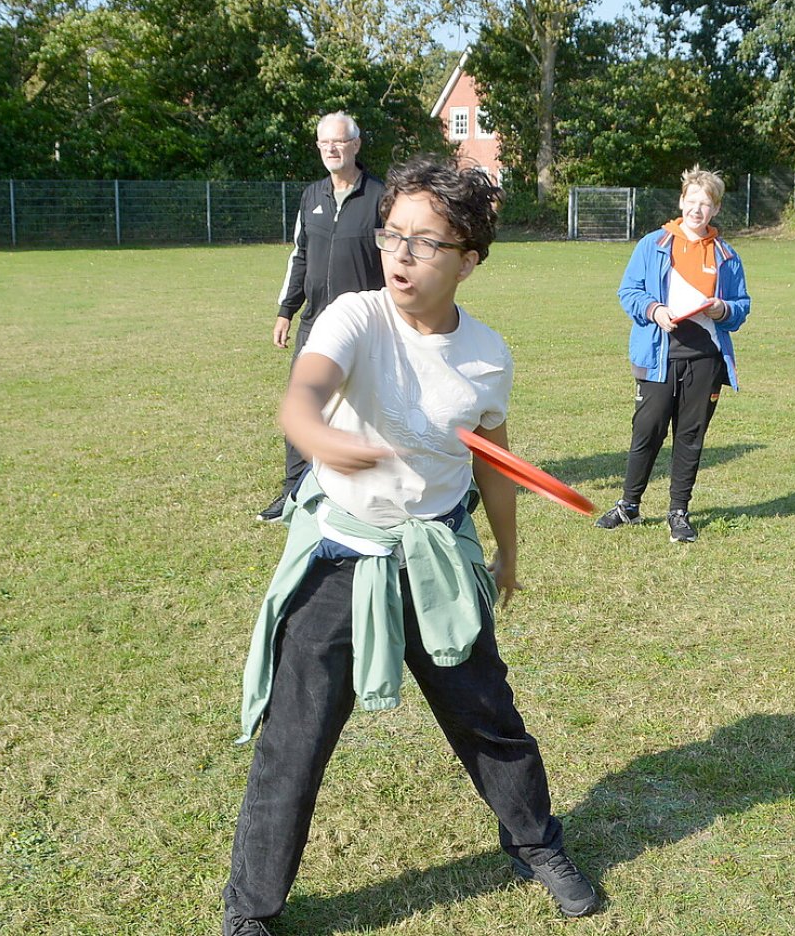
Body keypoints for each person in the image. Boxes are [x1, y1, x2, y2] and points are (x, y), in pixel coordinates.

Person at [222, 155, 599, 935]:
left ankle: (535, 843)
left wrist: (508, 553)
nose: (400, 254)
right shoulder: (353, 318)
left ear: (469, 258)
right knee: (293, 743)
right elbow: (300, 399)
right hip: (339, 556)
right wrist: (322, 438)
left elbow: (493, 461)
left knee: (489, 719)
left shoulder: (487, 353)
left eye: (425, 243)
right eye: (393, 235)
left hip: (434, 560)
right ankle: (251, 910)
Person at [594, 166, 751, 543]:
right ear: (682, 201)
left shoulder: (727, 255)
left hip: (705, 360)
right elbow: (628, 291)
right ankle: (628, 506)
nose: (698, 210)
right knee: (647, 431)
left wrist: (722, 310)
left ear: (715, 209)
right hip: (657, 355)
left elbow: (742, 306)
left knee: (690, 436)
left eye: (706, 204)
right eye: (692, 201)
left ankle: (679, 511)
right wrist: (654, 310)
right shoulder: (654, 244)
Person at [257, 112, 386, 522]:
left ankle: (371, 490)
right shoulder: (312, 196)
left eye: (340, 141)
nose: (332, 148)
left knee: (365, 408)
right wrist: (285, 311)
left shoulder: (381, 198)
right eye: (324, 143)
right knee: (304, 400)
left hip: (365, 325)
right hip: (315, 323)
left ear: (356, 145)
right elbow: (300, 257)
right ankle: (294, 493)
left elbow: (395, 262)